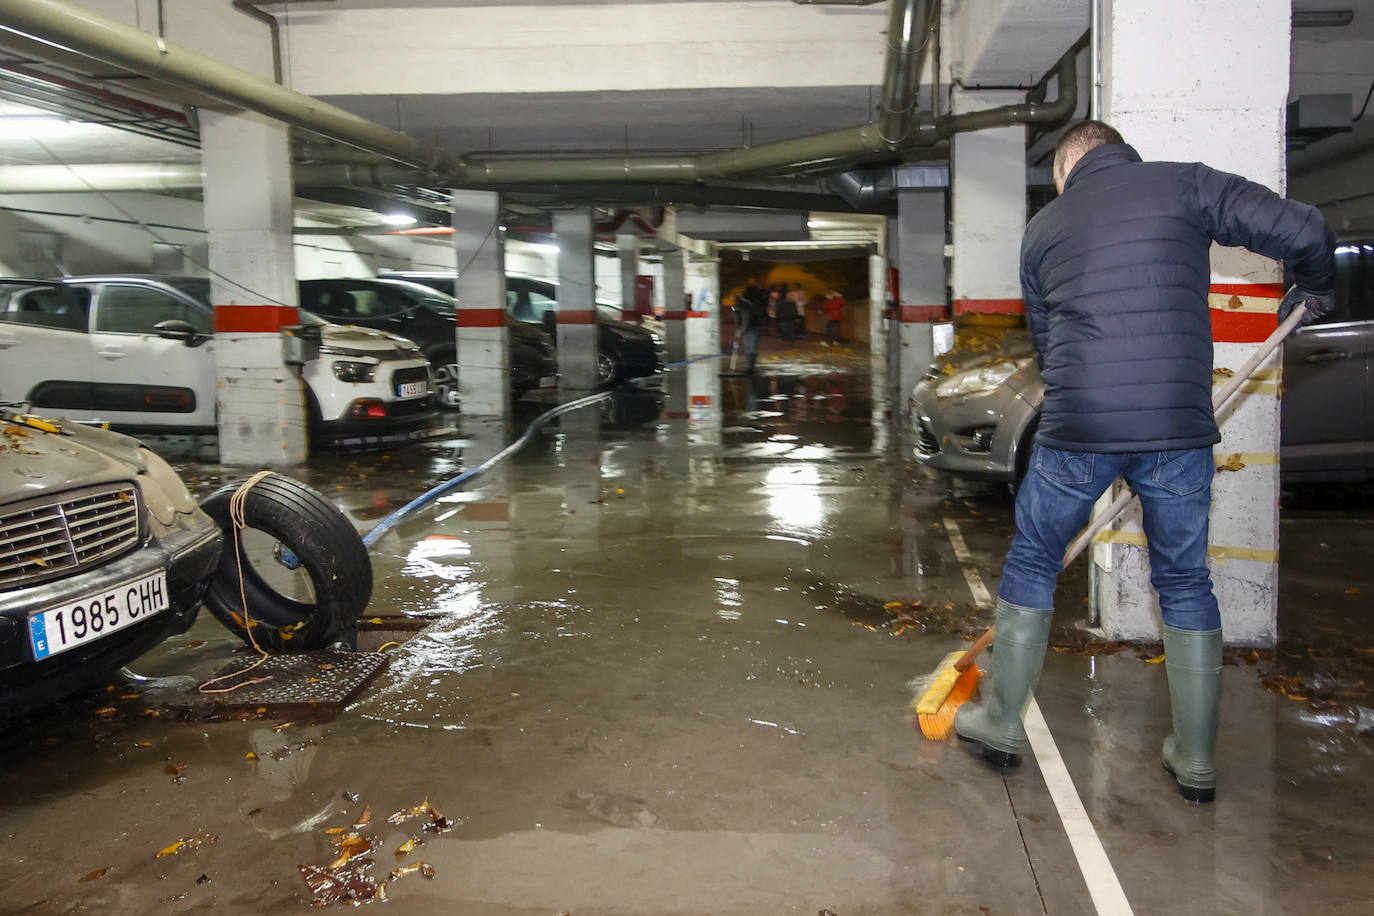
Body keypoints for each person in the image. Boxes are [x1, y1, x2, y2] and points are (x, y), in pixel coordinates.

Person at [953, 120, 1335, 804]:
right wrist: (1314, 285)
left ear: (1068, 167)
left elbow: (1047, 343)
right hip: (1175, 427)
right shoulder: (1184, 183)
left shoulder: (1044, 227)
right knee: (1185, 580)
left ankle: (1001, 722)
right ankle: (1194, 761)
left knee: (1034, 559)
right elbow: (1304, 229)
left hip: (1081, 427)